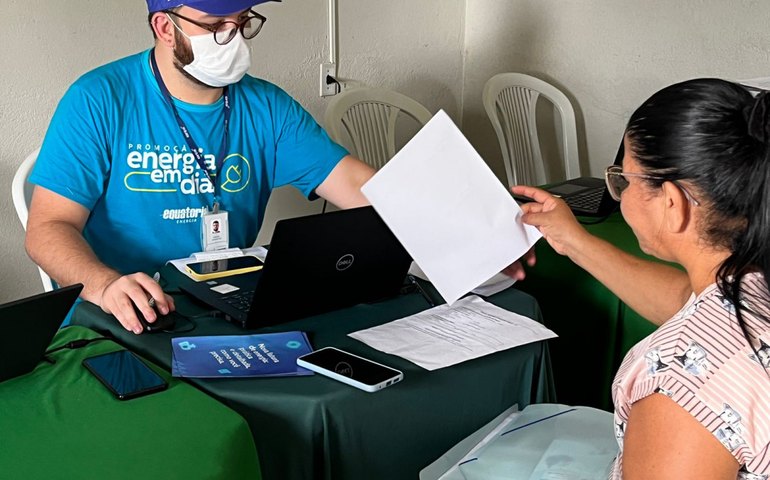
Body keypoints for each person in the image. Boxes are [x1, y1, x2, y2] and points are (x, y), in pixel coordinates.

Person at [24, 0, 377, 335]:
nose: (234, 38)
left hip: (226, 307)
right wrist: (105, 284)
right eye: (215, 26)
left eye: (241, 22)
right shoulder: (98, 100)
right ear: (165, 27)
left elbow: (357, 185)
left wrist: (421, 214)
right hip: (124, 318)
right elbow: (48, 227)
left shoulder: (268, 107)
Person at [513, 78, 770, 478]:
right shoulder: (751, 281)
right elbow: (688, 299)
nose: (620, 194)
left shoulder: (680, 392)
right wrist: (575, 241)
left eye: (624, 180)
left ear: (673, 202)